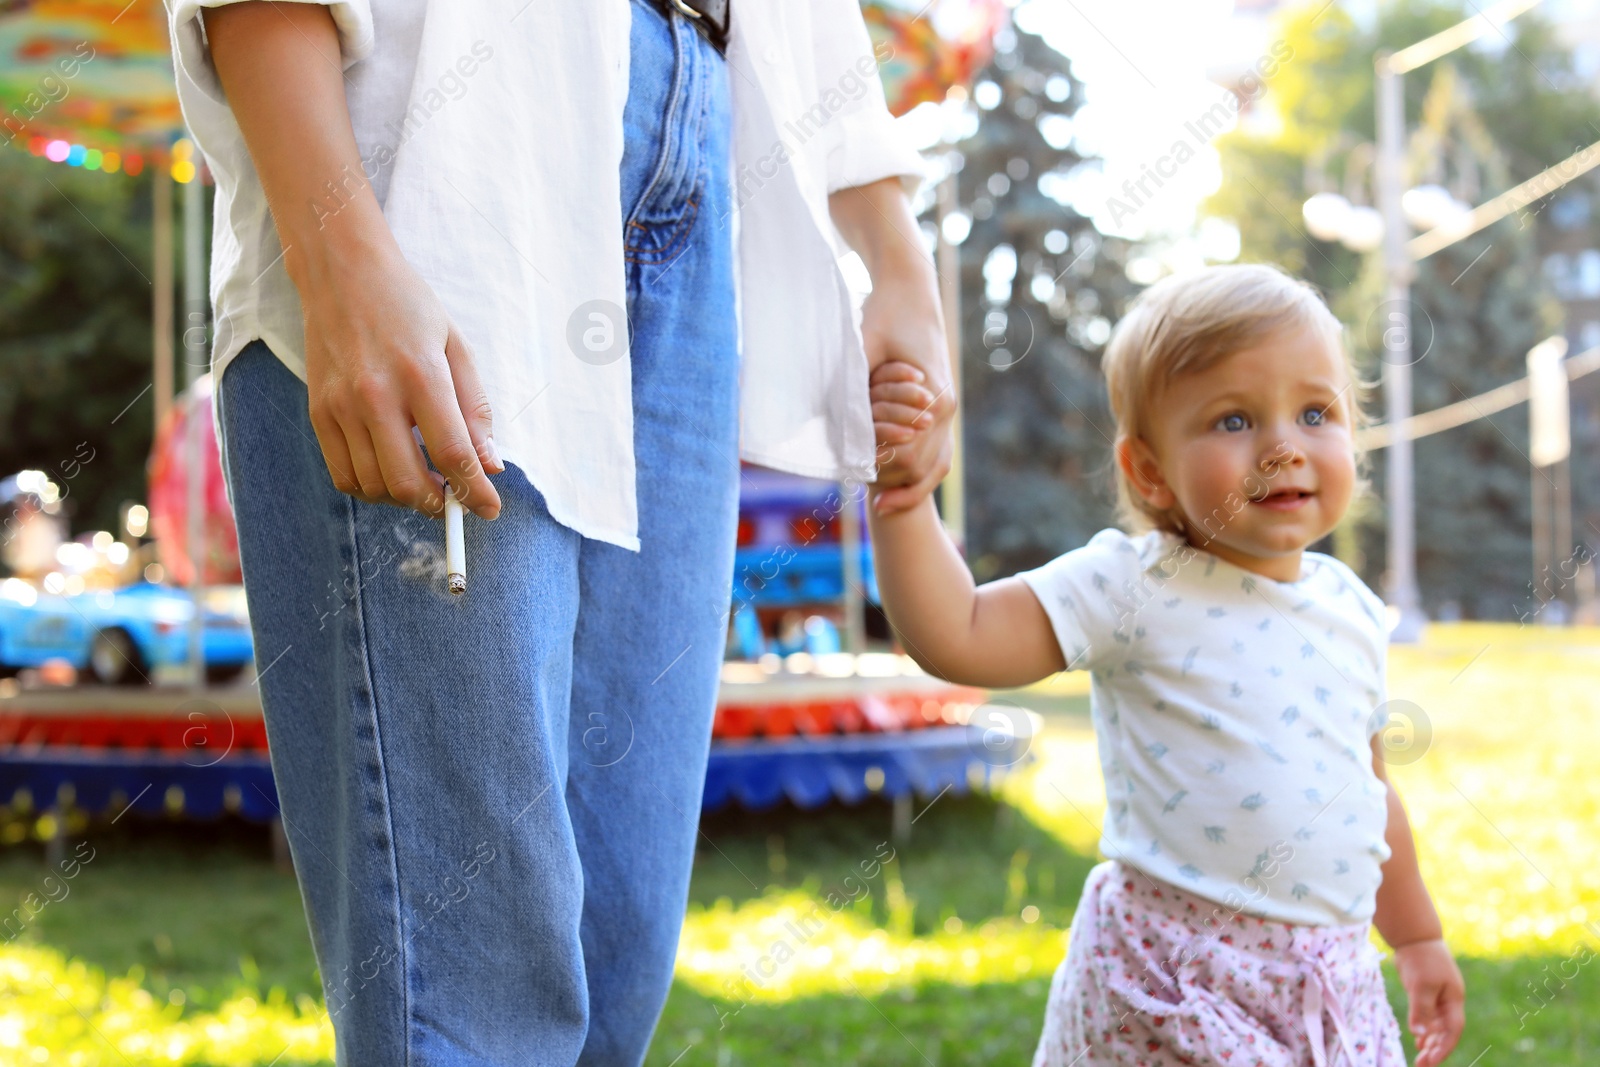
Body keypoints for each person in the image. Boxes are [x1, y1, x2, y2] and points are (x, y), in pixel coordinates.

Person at [167, 1, 953, 1063]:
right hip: (443, 141)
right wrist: (339, 240)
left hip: (696, 126)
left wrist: (889, 245)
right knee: (473, 998)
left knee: (613, 974)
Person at [864, 264, 1466, 1066]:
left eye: (1316, 412)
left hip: (1325, 975)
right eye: (1234, 420)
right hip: (1172, 975)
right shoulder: (1133, 584)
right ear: (1149, 471)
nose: (1284, 445)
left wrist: (1418, 935)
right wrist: (907, 503)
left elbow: (1369, 793)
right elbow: (960, 631)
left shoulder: (1351, 608)